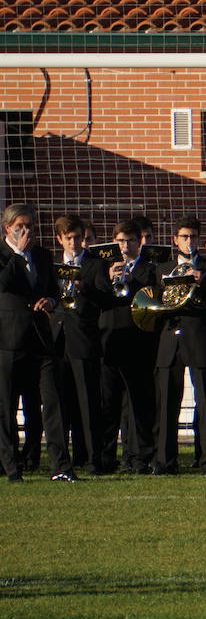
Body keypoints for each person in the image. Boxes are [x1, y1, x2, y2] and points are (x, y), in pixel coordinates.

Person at [0, 203, 76, 482]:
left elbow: (53, 291)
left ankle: (61, 467)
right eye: (20, 226)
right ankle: (11, 467)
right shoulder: (4, 255)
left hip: (41, 339)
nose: (26, 231)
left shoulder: (42, 256)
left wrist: (51, 301)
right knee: (7, 406)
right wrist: (18, 253)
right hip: (9, 339)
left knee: (53, 400)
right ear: (8, 228)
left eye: (30, 226)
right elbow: (4, 283)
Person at [152, 216, 206, 475]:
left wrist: (201, 281)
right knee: (167, 404)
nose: (189, 241)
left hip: (199, 339)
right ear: (175, 240)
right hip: (171, 339)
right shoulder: (163, 269)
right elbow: (155, 306)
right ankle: (164, 462)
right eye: (184, 237)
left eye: (193, 237)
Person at [52, 213, 113, 475]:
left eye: (77, 238)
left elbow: (106, 299)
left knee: (88, 402)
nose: (74, 243)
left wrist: (84, 287)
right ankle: (66, 459)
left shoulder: (94, 264)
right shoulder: (53, 265)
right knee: (62, 402)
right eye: (69, 239)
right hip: (57, 341)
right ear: (60, 240)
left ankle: (92, 459)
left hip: (84, 339)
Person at [98, 219, 159, 474]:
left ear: (139, 242)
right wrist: (109, 277)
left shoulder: (148, 269)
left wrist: (130, 278)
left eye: (130, 240)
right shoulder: (104, 267)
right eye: (121, 241)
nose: (125, 245)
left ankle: (139, 458)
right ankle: (106, 458)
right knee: (109, 404)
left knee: (138, 404)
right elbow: (97, 296)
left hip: (137, 342)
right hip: (110, 341)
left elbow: (151, 295)